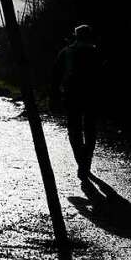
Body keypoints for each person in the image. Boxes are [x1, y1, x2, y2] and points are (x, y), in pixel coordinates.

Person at [51, 24, 102, 180]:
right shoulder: (96, 52)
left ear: (75, 36)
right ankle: (86, 161)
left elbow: (55, 77)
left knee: (74, 131)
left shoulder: (66, 52)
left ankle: (81, 161)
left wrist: (53, 97)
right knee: (90, 130)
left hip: (72, 96)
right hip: (92, 97)